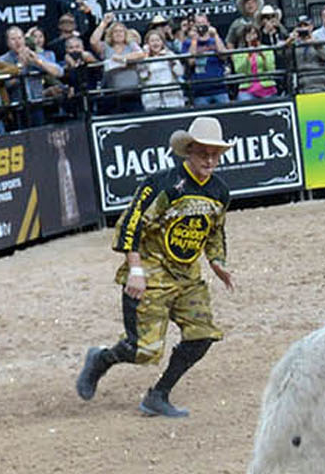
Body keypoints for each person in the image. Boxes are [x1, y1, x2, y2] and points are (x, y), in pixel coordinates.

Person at [76, 115, 236, 418]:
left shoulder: (219, 191)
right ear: (189, 151)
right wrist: (135, 270)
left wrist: (217, 262)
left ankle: (158, 395)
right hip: (152, 272)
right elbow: (131, 225)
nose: (210, 160)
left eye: (215, 154)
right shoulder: (163, 184)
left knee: (202, 335)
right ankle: (101, 360)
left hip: (187, 277)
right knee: (144, 350)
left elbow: (215, 231)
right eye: (204, 153)